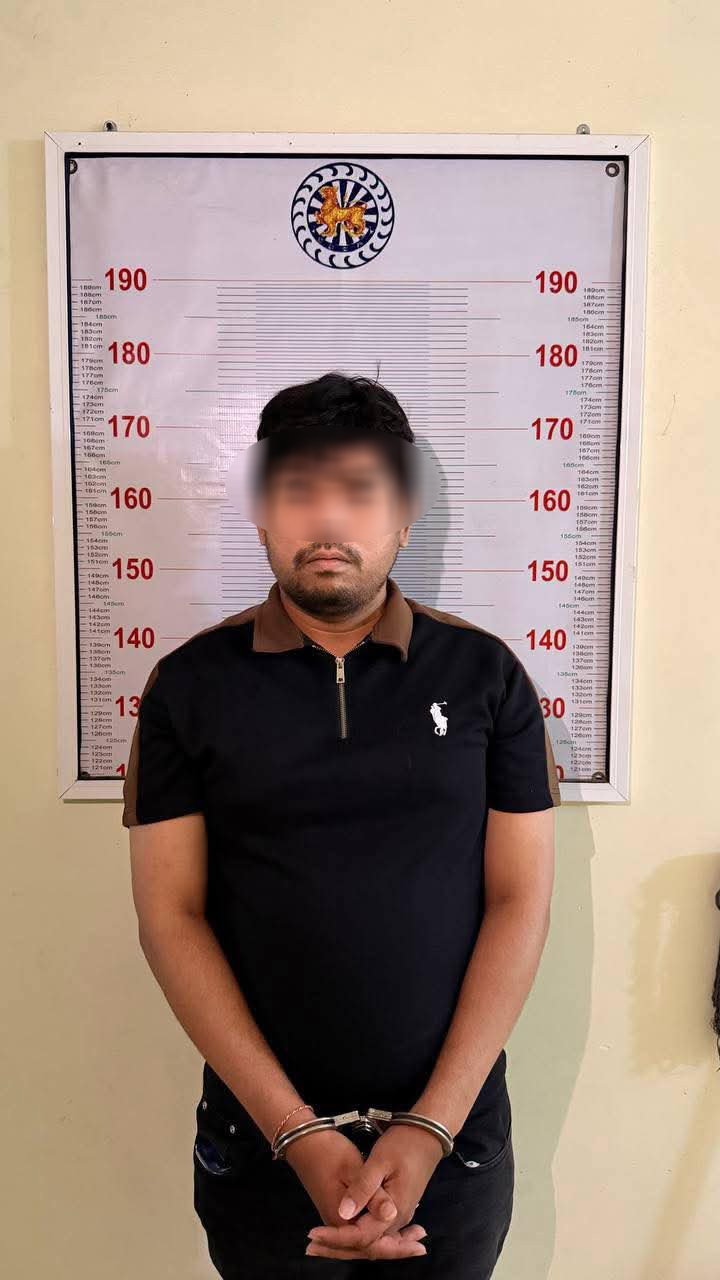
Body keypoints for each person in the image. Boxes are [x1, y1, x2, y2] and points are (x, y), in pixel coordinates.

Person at [122, 371, 560, 1277]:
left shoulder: (487, 677)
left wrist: (430, 1127)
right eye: (297, 489)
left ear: (404, 515)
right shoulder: (188, 688)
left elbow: (520, 902)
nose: (328, 519)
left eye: (359, 490)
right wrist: (299, 1133)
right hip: (260, 1142)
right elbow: (171, 915)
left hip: (453, 1141)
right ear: (261, 513)